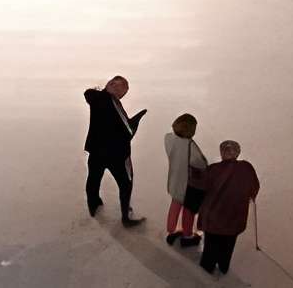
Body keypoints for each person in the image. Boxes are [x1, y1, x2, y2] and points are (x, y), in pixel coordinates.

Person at [81, 75, 146, 225]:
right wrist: (137, 119)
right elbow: (128, 132)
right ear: (114, 87)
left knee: (93, 178)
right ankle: (126, 218)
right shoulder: (113, 102)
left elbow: (88, 93)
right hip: (116, 154)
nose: (123, 92)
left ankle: (93, 204)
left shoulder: (96, 98)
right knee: (126, 184)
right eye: (123, 88)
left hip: (96, 151)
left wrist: (104, 90)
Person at [192, 139, 260, 275]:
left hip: (213, 218)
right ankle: (223, 266)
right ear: (238, 153)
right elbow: (254, 188)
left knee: (210, 246)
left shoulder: (213, 169)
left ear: (222, 153)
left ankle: (207, 268)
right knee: (228, 245)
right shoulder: (247, 168)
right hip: (235, 218)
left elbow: (200, 186)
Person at [159, 113, 209, 247]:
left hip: (174, 179)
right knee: (188, 210)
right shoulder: (190, 146)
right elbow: (200, 163)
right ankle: (187, 235)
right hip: (187, 184)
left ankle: (171, 230)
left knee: (175, 205)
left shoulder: (168, 138)